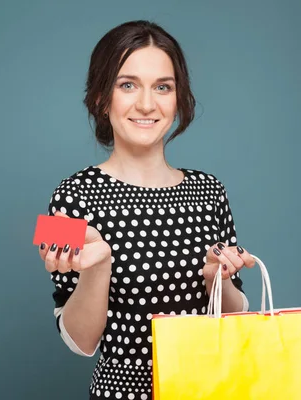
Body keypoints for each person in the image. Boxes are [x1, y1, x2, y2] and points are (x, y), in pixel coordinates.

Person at [38, 20, 256, 400]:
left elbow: (236, 318)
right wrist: (99, 265)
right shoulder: (72, 195)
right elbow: (79, 342)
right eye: (127, 85)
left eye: (162, 87)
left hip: (212, 389)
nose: (146, 104)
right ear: (101, 98)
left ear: (178, 98)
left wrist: (217, 280)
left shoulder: (210, 190)